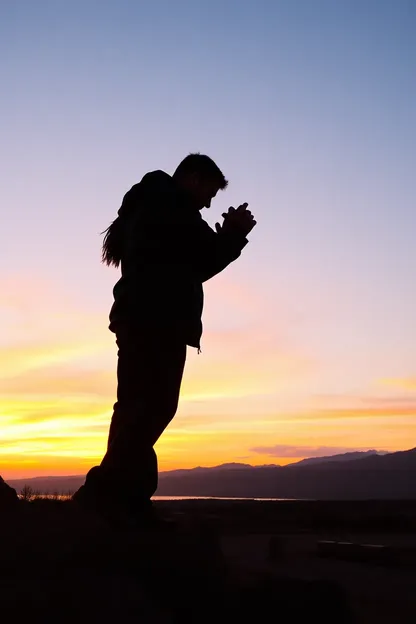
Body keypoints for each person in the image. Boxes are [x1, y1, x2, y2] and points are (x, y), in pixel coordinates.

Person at [73, 153, 256, 527]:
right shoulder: (171, 206)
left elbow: (189, 261)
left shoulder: (155, 205)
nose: (207, 202)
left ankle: (127, 499)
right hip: (158, 321)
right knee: (152, 408)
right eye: (208, 192)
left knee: (134, 408)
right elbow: (202, 259)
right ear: (192, 178)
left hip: (141, 319)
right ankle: (102, 494)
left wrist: (222, 238)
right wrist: (234, 233)